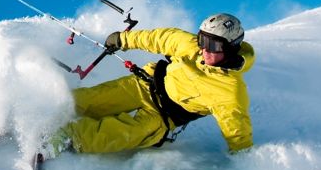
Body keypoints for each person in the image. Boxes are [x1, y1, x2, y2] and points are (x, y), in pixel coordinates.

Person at [52, 13, 255, 155]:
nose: (204, 50)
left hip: (162, 116)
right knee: (90, 100)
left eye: (214, 45)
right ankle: (45, 112)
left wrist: (242, 157)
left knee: (126, 133)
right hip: (146, 85)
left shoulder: (229, 91)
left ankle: (67, 137)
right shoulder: (188, 45)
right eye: (202, 40)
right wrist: (123, 39)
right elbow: (157, 38)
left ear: (230, 48)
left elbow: (237, 129)